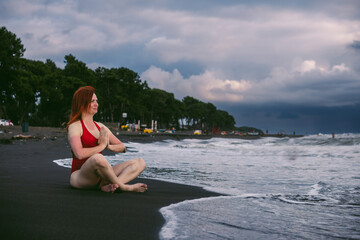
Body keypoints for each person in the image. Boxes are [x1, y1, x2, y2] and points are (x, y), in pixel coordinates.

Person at [66, 86, 147, 193]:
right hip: (81, 177)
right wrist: (101, 146)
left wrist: (107, 146)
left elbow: (122, 147)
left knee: (140, 162)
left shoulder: (100, 127)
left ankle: (108, 185)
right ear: (82, 104)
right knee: (98, 158)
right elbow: (79, 153)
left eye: (96, 101)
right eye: (92, 101)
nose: (96, 104)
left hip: (102, 174)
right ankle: (125, 187)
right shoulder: (75, 126)